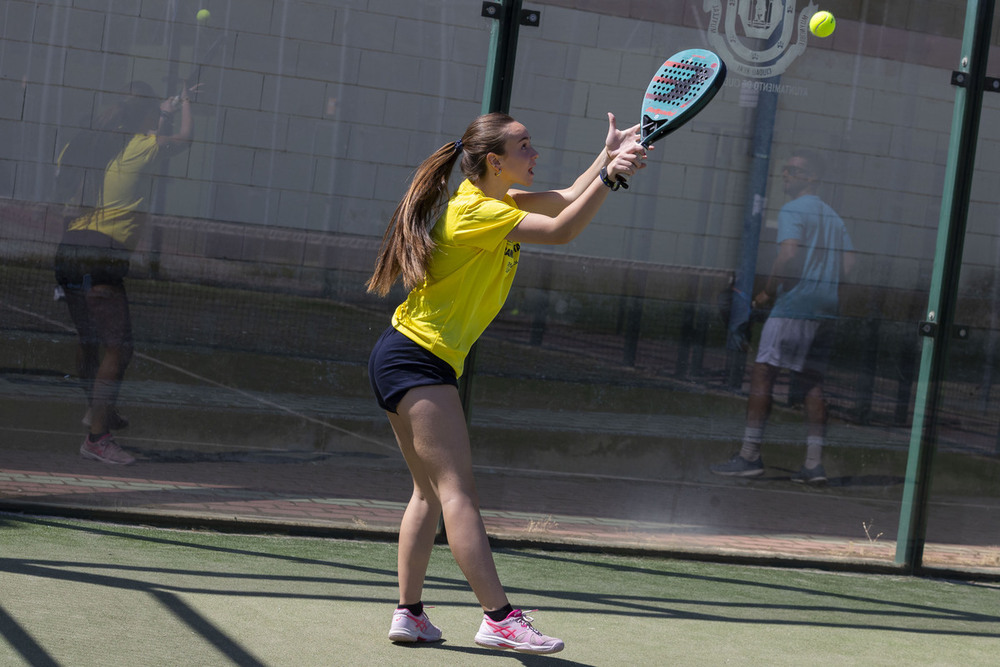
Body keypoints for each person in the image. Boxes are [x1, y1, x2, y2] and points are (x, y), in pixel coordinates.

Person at [367, 111, 646, 653]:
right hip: (417, 359)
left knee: (428, 492)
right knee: (456, 493)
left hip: (406, 355)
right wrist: (613, 177)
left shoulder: (495, 204)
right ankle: (499, 618)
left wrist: (605, 158)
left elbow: (564, 198)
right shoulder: (476, 213)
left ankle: (410, 614)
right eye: (525, 146)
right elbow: (563, 231)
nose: (534, 153)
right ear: (495, 161)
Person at [53, 81, 199, 465]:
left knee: (89, 343)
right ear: (145, 120)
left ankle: (97, 410)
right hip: (103, 254)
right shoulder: (138, 148)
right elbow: (184, 139)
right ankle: (97, 438)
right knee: (120, 348)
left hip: (67, 252)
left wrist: (158, 112)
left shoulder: (82, 147)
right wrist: (184, 105)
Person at [711, 149, 855, 483]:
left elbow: (788, 255)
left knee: (763, 375)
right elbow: (850, 265)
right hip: (825, 310)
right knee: (812, 384)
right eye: (785, 170)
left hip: (794, 306)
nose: (786, 175)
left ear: (812, 178)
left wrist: (767, 292)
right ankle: (813, 465)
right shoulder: (834, 217)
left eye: (794, 170)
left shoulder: (793, 210)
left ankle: (749, 456)